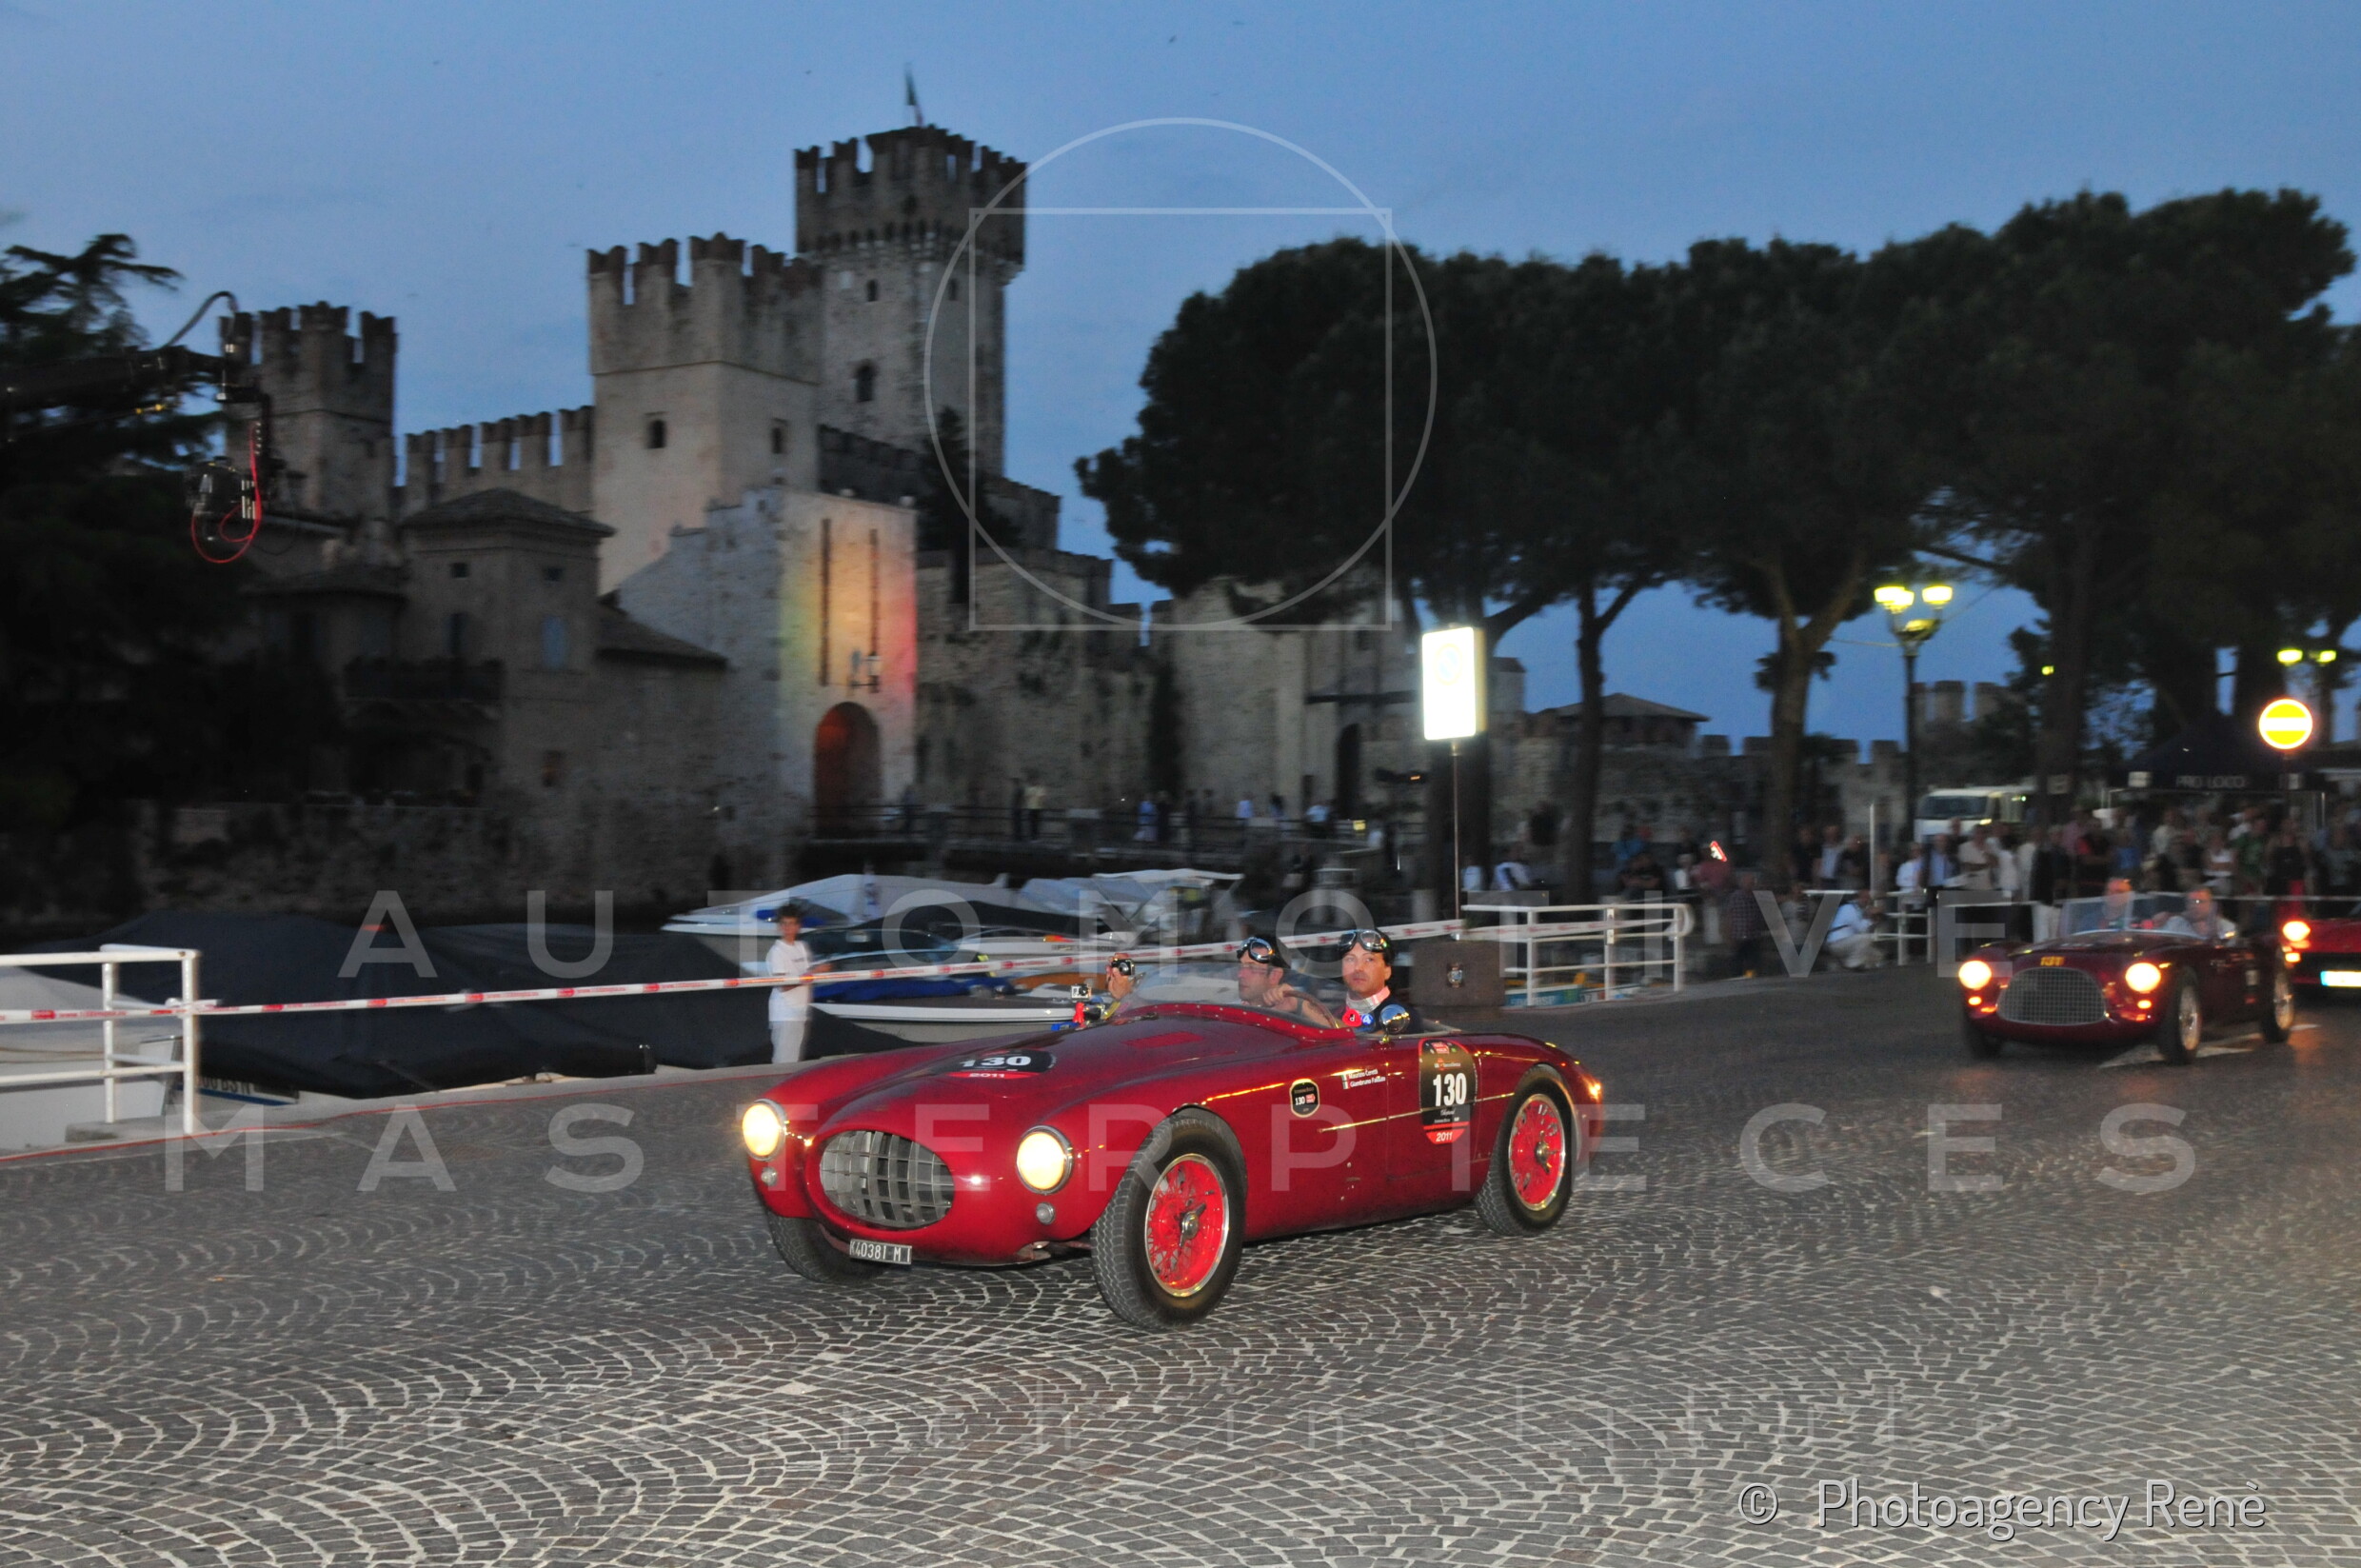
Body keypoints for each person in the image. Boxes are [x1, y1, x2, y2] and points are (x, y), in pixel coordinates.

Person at [1235, 937, 1339, 1028]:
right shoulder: (1232, 1011)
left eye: (1252, 967)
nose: (1240, 974)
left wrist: (1299, 1005)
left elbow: (1342, 1033)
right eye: (1241, 966)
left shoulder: (1297, 1020)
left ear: (1274, 975)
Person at [1338, 929, 1422, 1030]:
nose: (1358, 968)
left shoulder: (1402, 1018)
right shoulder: (1331, 1014)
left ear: (1387, 971)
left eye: (1369, 959)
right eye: (1350, 959)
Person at [764, 907, 813, 1063]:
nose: (787, 928)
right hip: (785, 1012)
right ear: (779, 926)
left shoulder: (801, 947)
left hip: (799, 1010)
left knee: (793, 1058)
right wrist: (813, 974)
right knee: (784, 1059)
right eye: (784, 924)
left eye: (791, 924)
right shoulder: (777, 951)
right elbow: (783, 986)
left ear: (798, 927)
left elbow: (806, 975)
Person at [1723, 870, 1768, 978]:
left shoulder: (1757, 897)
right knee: (1738, 962)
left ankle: (1750, 978)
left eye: (1752, 882)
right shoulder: (1735, 897)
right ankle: (1738, 979)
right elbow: (1729, 916)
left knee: (1752, 963)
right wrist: (1728, 935)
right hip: (1739, 937)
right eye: (1748, 882)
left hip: (1754, 937)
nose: (1750, 885)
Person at [1824, 895, 1879, 970]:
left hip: (1848, 942)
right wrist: (1870, 918)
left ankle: (1854, 967)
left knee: (1876, 954)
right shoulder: (1849, 908)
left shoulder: (1858, 910)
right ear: (1857, 898)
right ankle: (1851, 964)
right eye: (1864, 897)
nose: (1866, 901)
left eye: (1867, 898)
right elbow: (1861, 929)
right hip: (1838, 942)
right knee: (1866, 938)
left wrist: (1874, 919)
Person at [2161, 886, 2233, 942]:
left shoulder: (2226, 927)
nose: (2194, 906)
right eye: (2190, 902)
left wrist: (2211, 935)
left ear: (2211, 905)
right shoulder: (2175, 923)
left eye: (2200, 902)